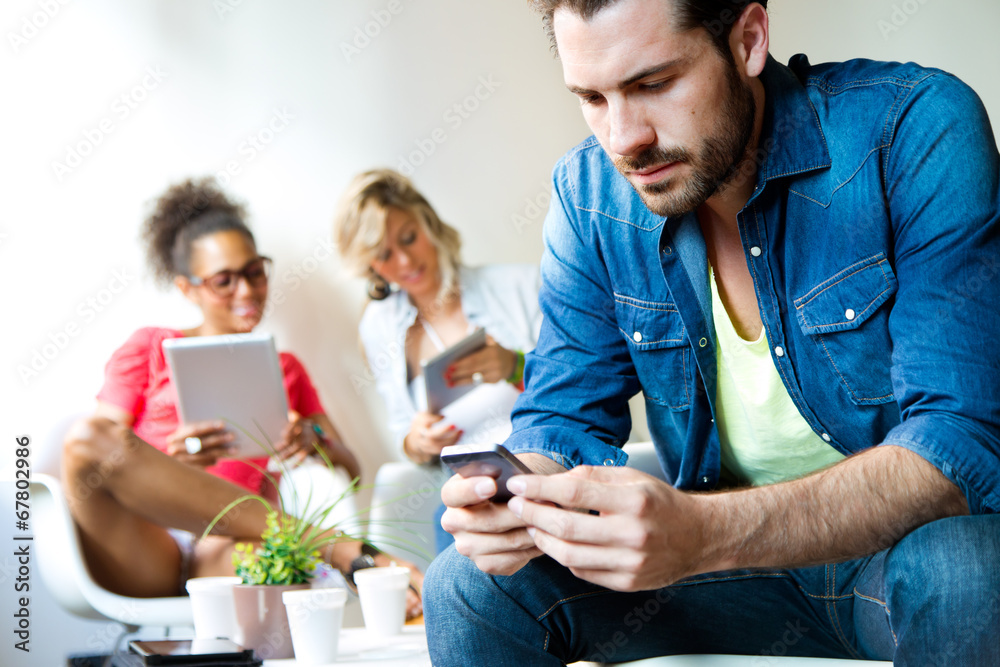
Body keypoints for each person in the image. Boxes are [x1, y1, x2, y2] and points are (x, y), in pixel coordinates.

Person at [424, 1, 1000, 665]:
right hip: (722, 581)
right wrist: (520, 496)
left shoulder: (913, 128)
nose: (623, 139)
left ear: (749, 41)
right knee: (469, 585)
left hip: (897, 560)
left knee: (970, 567)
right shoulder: (587, 197)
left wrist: (701, 531)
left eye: (653, 85)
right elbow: (561, 417)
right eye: (591, 96)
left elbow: (962, 448)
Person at [64, 178, 421, 614]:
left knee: (290, 572)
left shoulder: (285, 367)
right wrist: (174, 462)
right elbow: (105, 453)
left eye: (255, 272)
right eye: (224, 281)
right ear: (187, 288)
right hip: (148, 539)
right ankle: (340, 549)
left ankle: (361, 577)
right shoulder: (148, 347)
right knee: (86, 438)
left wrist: (313, 440)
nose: (247, 292)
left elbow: (350, 473)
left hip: (236, 543)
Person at [333, 168, 542, 552]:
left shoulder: (519, 286)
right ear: (370, 267)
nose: (404, 261)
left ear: (428, 224)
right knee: (453, 533)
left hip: (545, 473)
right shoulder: (379, 327)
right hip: (471, 495)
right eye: (383, 255)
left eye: (409, 238)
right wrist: (419, 440)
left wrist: (514, 366)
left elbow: (580, 385)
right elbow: (405, 435)